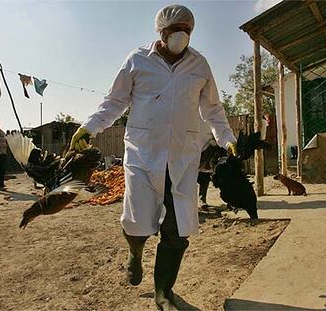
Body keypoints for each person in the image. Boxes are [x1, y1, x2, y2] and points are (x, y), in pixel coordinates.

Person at [69, 4, 237, 310]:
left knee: (177, 231)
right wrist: (89, 127)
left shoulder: (199, 65)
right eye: (176, 30)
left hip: (183, 159)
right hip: (143, 155)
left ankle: (163, 293)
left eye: (187, 30)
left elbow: (212, 109)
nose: (182, 36)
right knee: (138, 223)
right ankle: (134, 254)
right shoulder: (137, 61)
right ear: (160, 32)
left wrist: (227, 139)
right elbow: (115, 102)